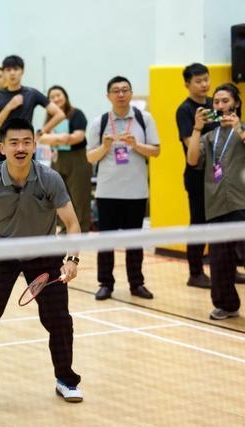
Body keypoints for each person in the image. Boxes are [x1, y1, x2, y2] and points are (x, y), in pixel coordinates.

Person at [0, 117, 83, 412]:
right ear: (3, 147)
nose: (20, 148)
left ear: (34, 145)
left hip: (44, 252)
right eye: (14, 142)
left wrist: (72, 259)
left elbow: (72, 222)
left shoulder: (50, 179)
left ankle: (66, 379)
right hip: (1, 251)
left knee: (58, 319)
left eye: (26, 142)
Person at [86, 76, 160, 301]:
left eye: (125, 90)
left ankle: (137, 284)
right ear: (108, 96)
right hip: (107, 192)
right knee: (105, 241)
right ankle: (105, 284)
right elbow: (91, 157)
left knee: (134, 241)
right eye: (116, 91)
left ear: (130, 93)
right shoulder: (99, 122)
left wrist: (136, 145)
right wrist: (105, 147)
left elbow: (156, 151)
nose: (121, 94)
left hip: (136, 192)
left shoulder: (143, 118)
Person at [176, 63, 245, 288]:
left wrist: (238, 128)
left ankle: (232, 269)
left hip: (234, 189)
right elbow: (192, 155)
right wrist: (198, 128)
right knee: (201, 226)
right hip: (203, 181)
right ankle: (196, 272)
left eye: (207, 79)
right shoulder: (188, 112)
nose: (204, 84)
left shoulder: (234, 124)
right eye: (198, 80)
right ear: (187, 84)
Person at [187, 83, 245, 320]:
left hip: (241, 204)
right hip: (216, 205)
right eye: (216, 102)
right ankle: (227, 305)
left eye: (225, 101)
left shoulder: (242, 130)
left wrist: (239, 128)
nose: (220, 106)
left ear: (236, 104)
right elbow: (192, 160)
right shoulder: (210, 136)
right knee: (220, 262)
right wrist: (197, 128)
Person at [0, 55, 65, 165]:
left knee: (26, 181)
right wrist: (9, 107)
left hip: (26, 148)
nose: (12, 73)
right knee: (1, 181)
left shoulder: (31, 93)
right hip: (5, 148)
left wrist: (41, 132)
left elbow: (59, 114)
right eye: (8, 70)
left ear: (22, 71)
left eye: (16, 69)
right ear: (4, 73)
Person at [38, 85, 92, 232]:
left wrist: (53, 138)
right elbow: (40, 138)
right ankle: (64, 228)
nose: (56, 99)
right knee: (60, 196)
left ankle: (82, 229)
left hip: (78, 159)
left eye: (58, 95)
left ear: (65, 96)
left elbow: (77, 137)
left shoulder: (77, 114)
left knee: (79, 197)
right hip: (57, 159)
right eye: (52, 97)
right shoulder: (50, 118)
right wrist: (62, 138)